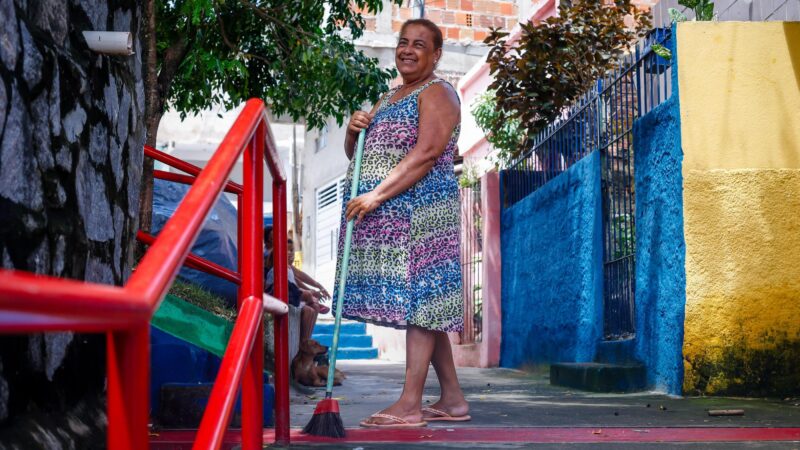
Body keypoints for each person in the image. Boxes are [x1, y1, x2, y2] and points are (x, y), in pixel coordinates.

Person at [338, 18, 469, 428]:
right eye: (403, 43)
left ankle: (410, 404)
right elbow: (358, 158)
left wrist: (377, 194)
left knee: (424, 302)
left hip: (423, 215)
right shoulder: (389, 96)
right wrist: (352, 131)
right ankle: (452, 400)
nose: (408, 50)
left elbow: (429, 151)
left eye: (419, 44)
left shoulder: (439, 91)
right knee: (425, 306)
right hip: (395, 218)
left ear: (436, 54)